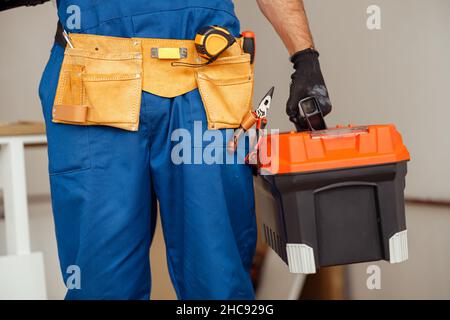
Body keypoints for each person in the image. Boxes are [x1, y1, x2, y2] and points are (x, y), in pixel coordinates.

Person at [2, 0, 331, 299]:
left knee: (218, 278)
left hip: (204, 78)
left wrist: (305, 58)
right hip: (94, 78)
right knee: (101, 284)